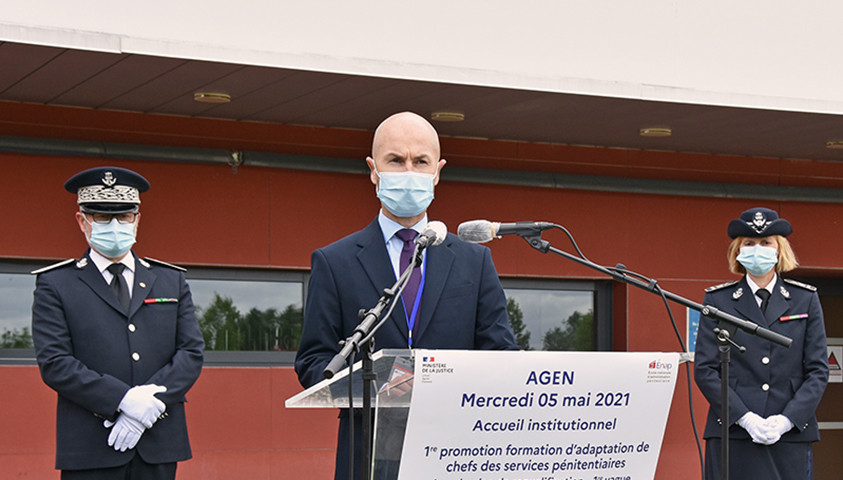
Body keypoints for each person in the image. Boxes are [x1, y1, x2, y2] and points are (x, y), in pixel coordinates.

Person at [295, 111, 519, 479]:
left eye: (420, 162)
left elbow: (500, 355)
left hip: (456, 452)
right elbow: (313, 361)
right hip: (368, 456)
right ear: (373, 170)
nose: (409, 171)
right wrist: (380, 383)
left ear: (437, 172)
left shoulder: (475, 261)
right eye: (396, 161)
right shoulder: (334, 262)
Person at [31, 166, 205, 480]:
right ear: (81, 221)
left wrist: (147, 408)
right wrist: (122, 400)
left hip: (158, 441)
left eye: (124, 217)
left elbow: (190, 354)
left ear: (137, 219)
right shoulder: (56, 284)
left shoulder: (170, 280)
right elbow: (55, 362)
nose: (115, 225)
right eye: (101, 217)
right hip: (90, 446)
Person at [694, 207, 828, 480]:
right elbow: (706, 369)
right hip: (734, 431)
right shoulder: (718, 301)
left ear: (780, 250)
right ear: (737, 251)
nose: (758, 249)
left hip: (789, 434)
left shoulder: (805, 299)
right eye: (749, 243)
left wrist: (787, 419)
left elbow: (817, 369)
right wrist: (745, 418)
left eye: (766, 243)